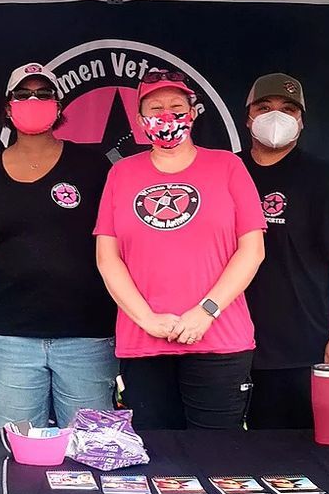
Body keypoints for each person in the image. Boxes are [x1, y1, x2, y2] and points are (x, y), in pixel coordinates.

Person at [94, 71, 267, 430]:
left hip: (219, 340)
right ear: (140, 120)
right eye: (155, 107)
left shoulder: (228, 166)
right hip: (144, 344)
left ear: (193, 112)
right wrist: (146, 319)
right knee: (157, 462)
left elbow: (252, 250)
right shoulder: (121, 174)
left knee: (219, 460)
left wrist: (206, 312)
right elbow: (107, 257)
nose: (166, 115)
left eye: (176, 106)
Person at [0, 63, 116, 427]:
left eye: (44, 94)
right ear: (8, 107)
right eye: (23, 94)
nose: (33, 100)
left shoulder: (92, 165)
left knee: (93, 449)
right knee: (15, 451)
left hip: (86, 333)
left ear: (59, 104)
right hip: (11, 334)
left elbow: (113, 238)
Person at [239, 73, 329, 430]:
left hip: (312, 343)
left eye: (287, 109)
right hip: (242, 344)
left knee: (309, 456)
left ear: (301, 120)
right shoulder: (227, 172)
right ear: (248, 116)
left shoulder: (325, 179)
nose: (275, 116)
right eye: (264, 107)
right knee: (245, 457)